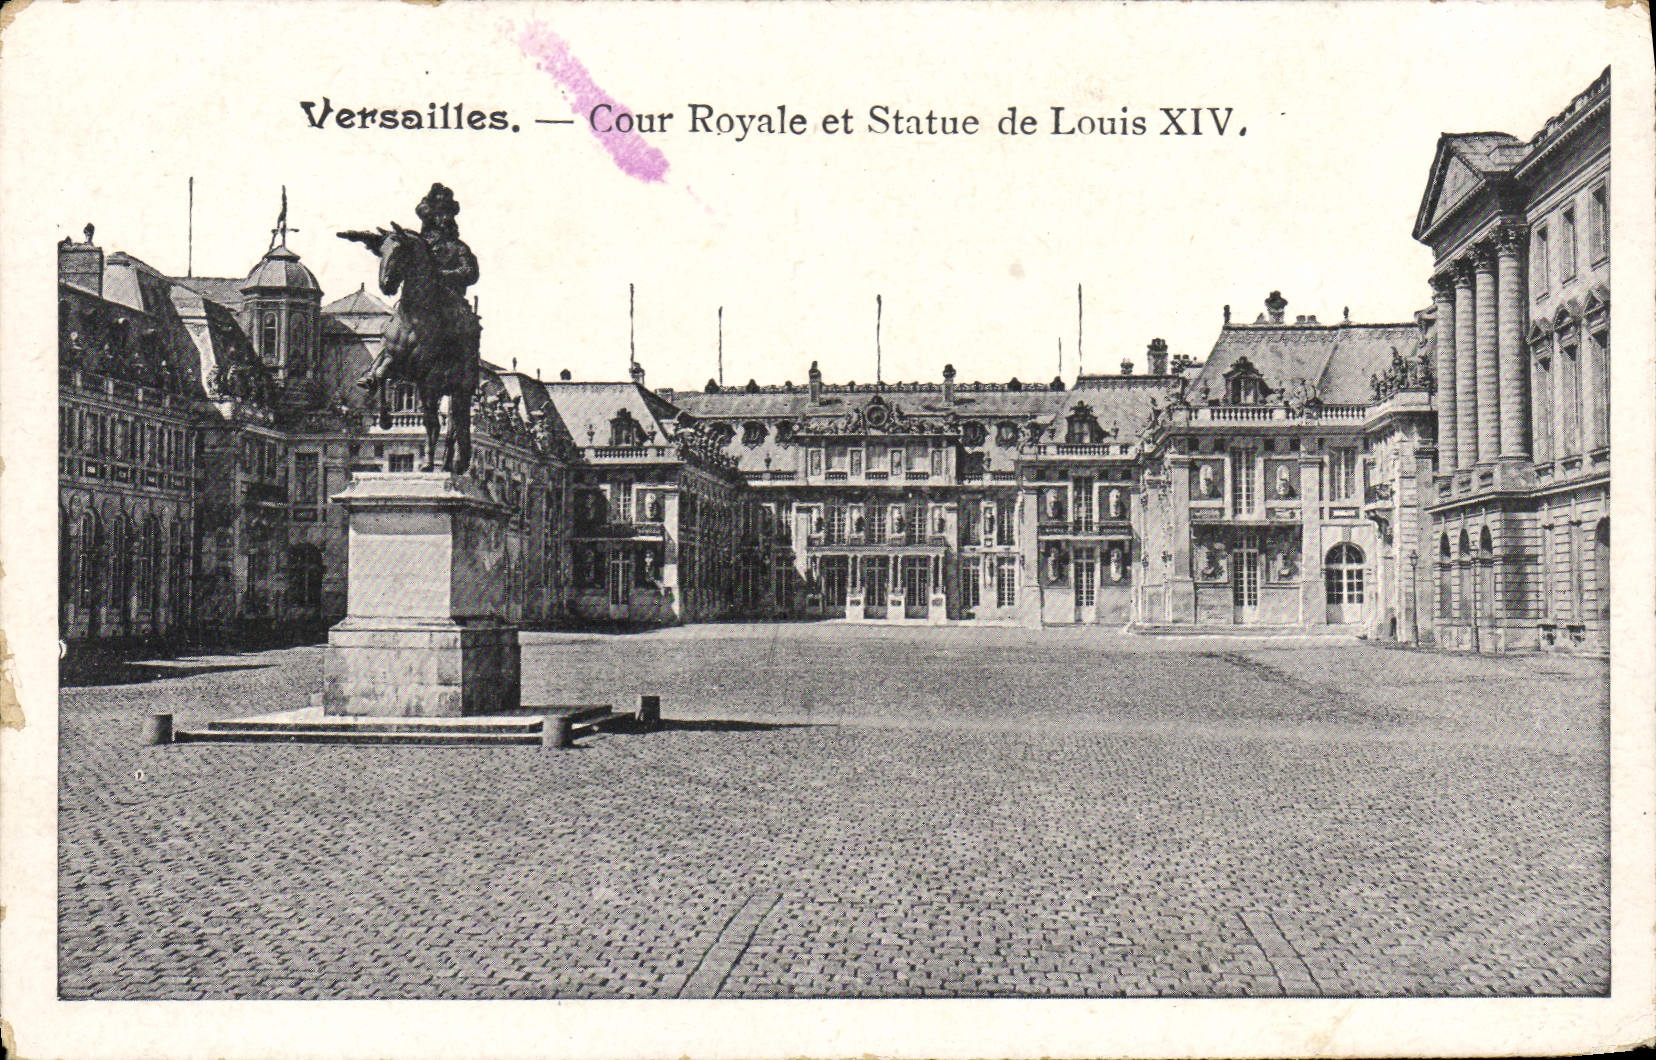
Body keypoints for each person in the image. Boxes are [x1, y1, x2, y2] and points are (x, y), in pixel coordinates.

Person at [356, 183, 481, 392]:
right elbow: (396, 255)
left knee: (464, 326)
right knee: (396, 322)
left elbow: (470, 272)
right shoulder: (417, 243)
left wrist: (442, 275)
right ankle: (375, 369)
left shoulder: (458, 248)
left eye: (440, 218)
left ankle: (461, 373)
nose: (435, 224)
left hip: (447, 298)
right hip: (416, 298)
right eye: (431, 219)